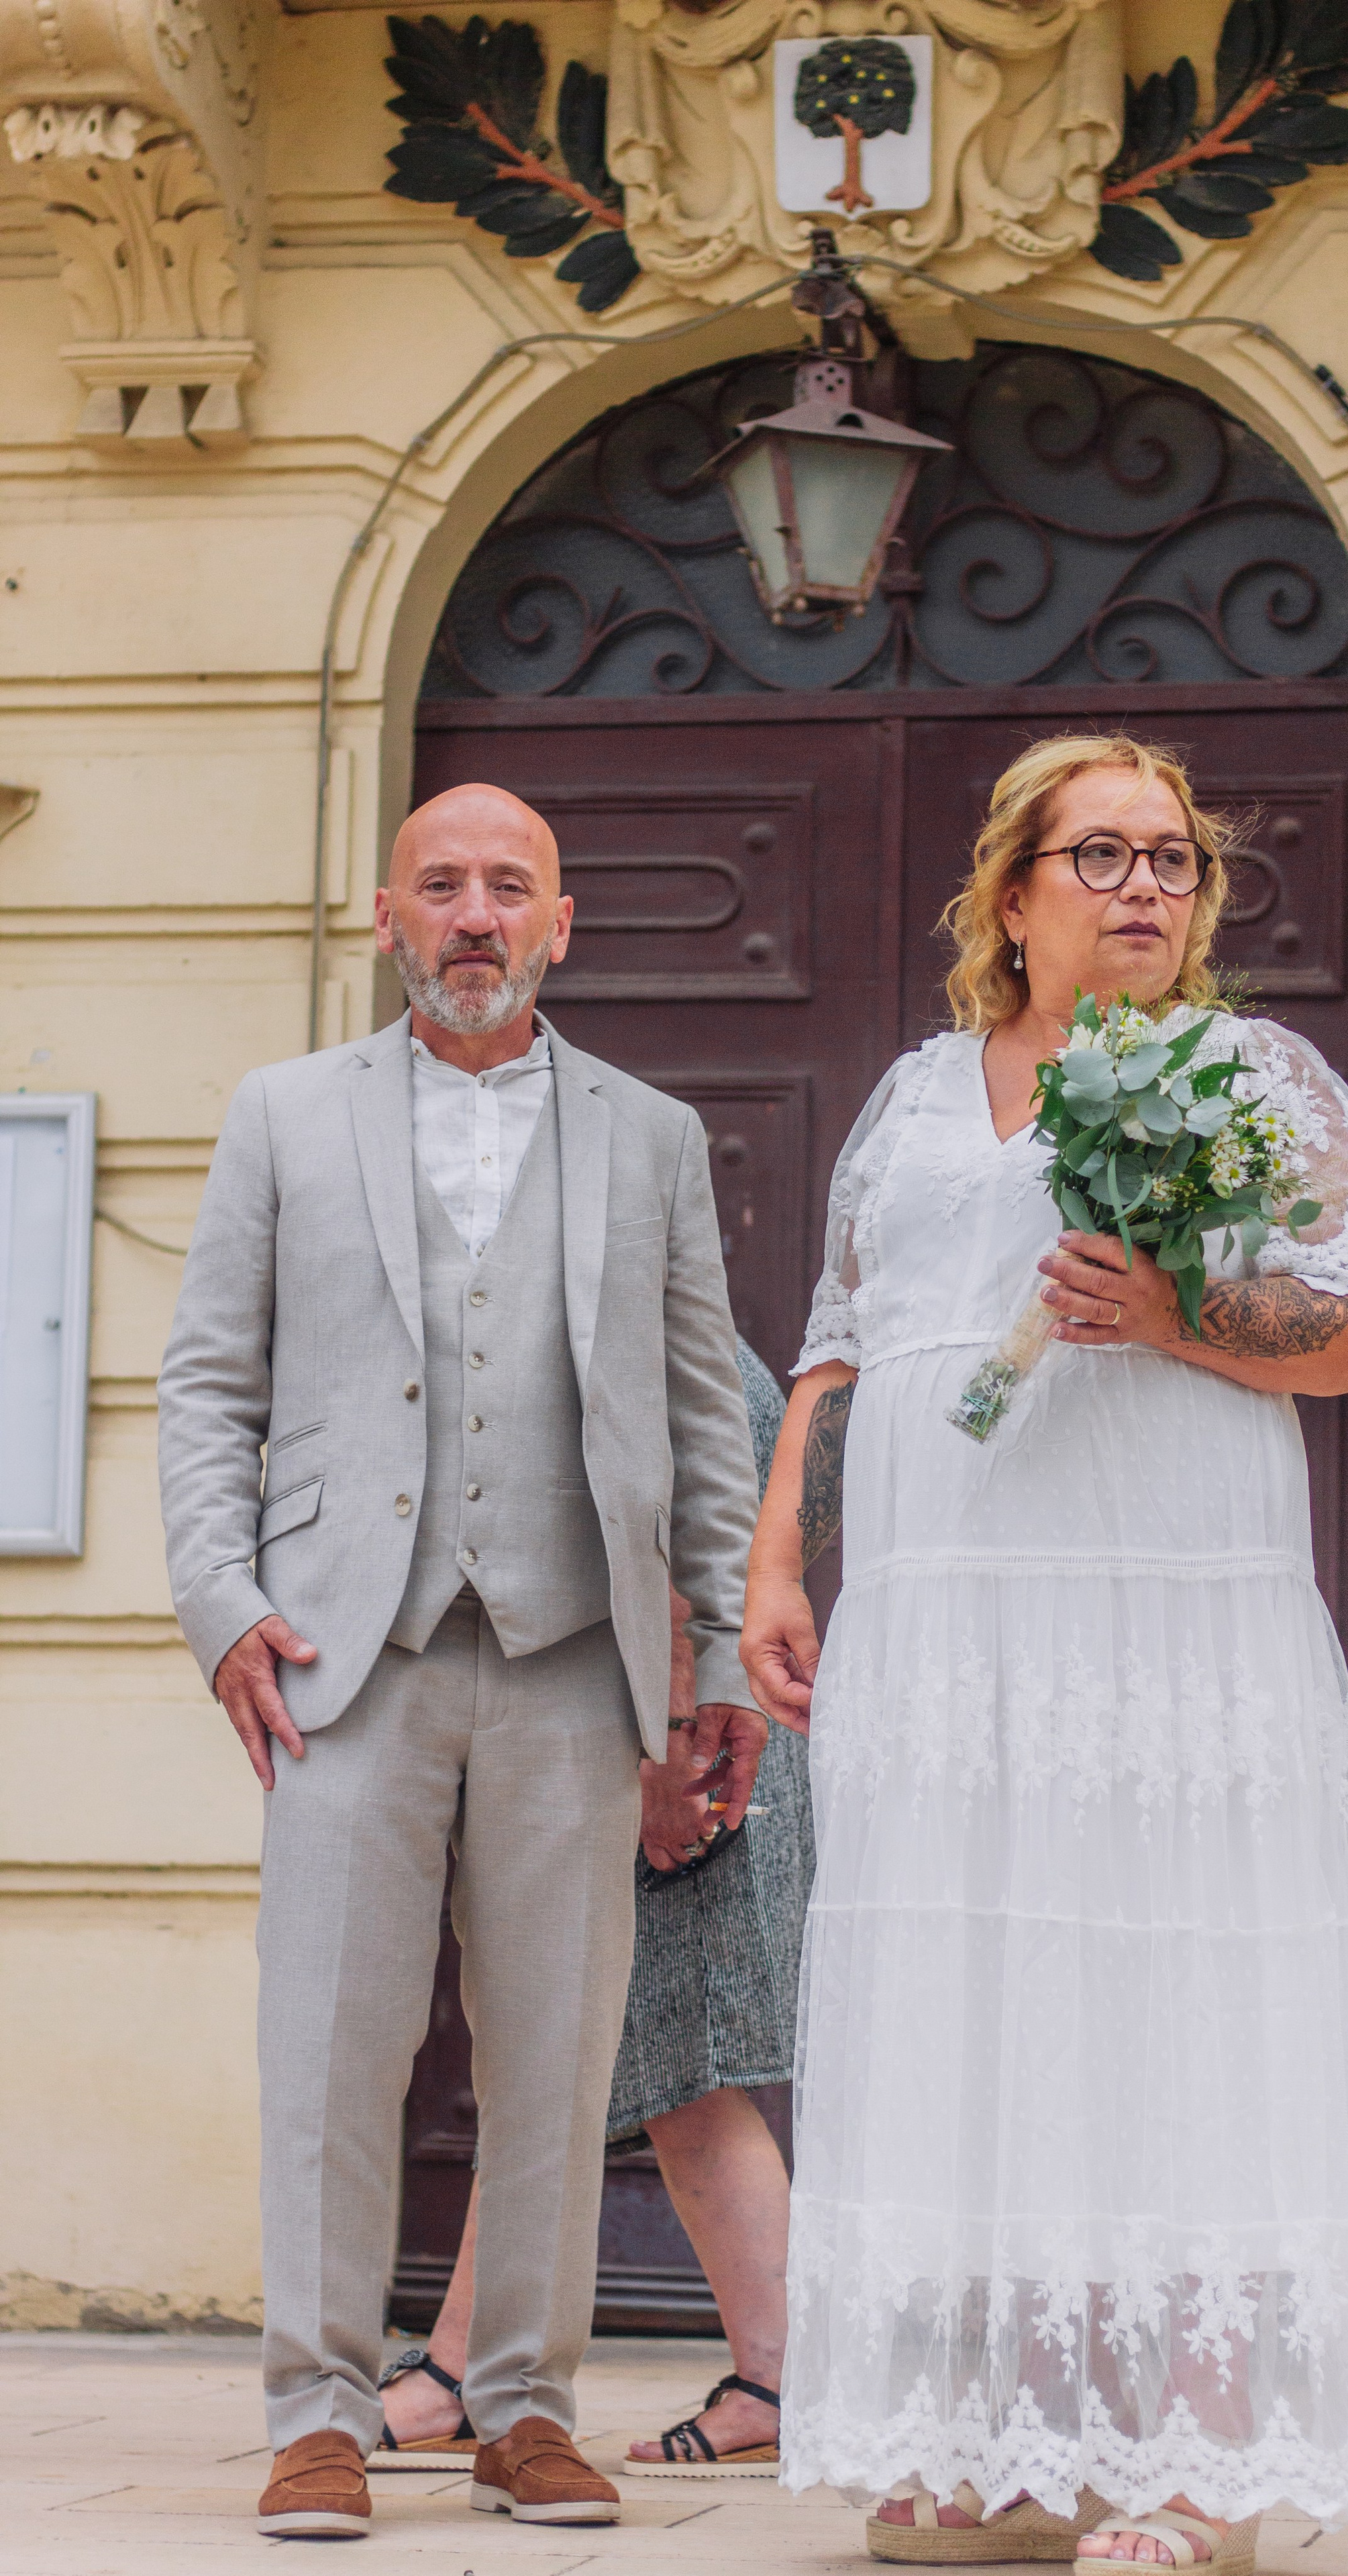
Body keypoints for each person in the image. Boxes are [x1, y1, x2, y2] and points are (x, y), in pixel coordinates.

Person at [741, 735, 1348, 2569]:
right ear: (1013, 893)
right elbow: (842, 1330)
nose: (1146, 887)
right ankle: (1000, 2448)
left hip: (1160, 1615)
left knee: (1170, 1998)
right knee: (977, 2003)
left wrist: (1180, 1307)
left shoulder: (1257, 1075)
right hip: (951, 1619)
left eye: (1176, 861)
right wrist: (782, 1556)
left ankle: (1202, 2469)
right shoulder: (908, 1094)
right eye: (1104, 854)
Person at [156, 782, 767, 2540]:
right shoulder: (284, 1118)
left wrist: (717, 1650)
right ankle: (318, 2416)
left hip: (578, 1657)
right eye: (445, 885)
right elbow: (209, 1389)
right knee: (331, 2051)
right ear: (388, 915)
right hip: (349, 1650)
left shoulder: (651, 1136)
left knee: (560, 2060)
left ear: (562, 923)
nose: (477, 914)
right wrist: (222, 1604)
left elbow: (703, 1428)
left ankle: (524, 2410)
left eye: (510, 886)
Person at [376, 1339, 813, 2479]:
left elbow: (683, 1556)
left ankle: (774, 2371)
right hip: (684, 1736)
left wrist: (669, 1756)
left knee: (658, 2062)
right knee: (617, 2060)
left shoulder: (652, 1341)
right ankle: (480, 2364)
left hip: (686, 1748)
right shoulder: (673, 1328)